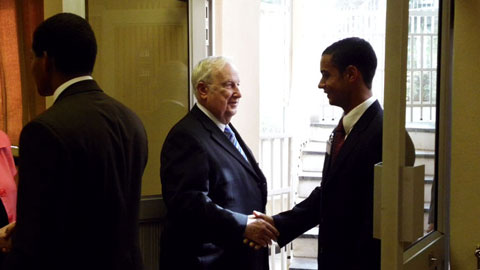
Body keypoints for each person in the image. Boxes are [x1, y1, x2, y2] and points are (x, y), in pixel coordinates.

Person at [252, 37, 415, 270]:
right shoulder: (344, 129)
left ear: (351, 74)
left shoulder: (386, 135)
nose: (321, 84)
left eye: (326, 74)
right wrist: (278, 224)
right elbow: (330, 193)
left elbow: (384, 219)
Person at [2, 13, 148, 270]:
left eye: (32, 57)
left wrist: (19, 239)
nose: (32, 66)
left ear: (46, 61)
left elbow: (35, 243)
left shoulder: (44, 130)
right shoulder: (131, 121)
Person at [160, 56, 279, 270]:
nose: (238, 93)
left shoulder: (224, 129)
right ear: (203, 90)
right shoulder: (187, 136)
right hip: (209, 262)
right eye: (229, 85)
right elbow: (189, 204)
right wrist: (243, 225)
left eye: (238, 85)